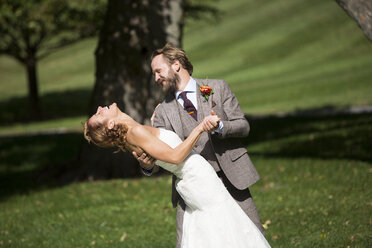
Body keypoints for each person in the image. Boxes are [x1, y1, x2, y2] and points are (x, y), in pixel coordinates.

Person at [84, 103, 270, 247]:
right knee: (225, 225)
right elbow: (175, 156)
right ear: (110, 124)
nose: (100, 108)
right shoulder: (136, 132)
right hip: (198, 179)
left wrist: (155, 124)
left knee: (214, 227)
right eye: (99, 114)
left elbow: (159, 146)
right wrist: (200, 128)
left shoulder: (135, 131)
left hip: (197, 178)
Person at [133, 44, 265, 247]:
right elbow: (163, 156)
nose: (156, 78)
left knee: (252, 236)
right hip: (194, 191)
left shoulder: (216, 88)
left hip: (232, 178)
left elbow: (243, 125)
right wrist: (147, 165)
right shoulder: (162, 112)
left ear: (176, 65)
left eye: (158, 71)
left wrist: (220, 126)